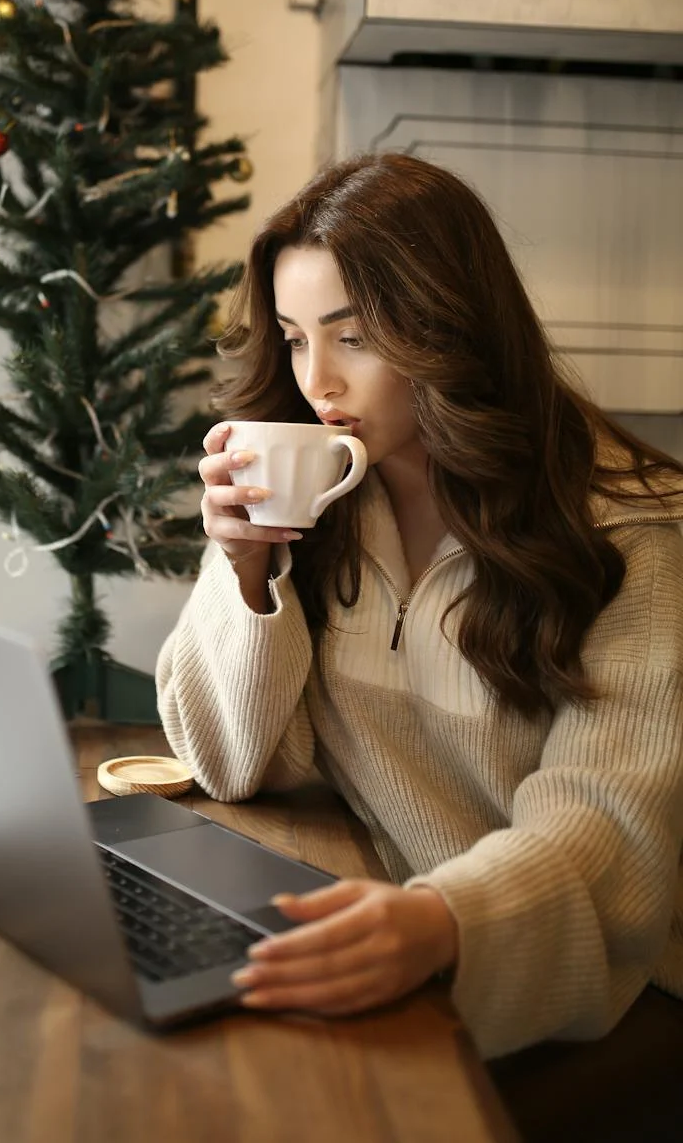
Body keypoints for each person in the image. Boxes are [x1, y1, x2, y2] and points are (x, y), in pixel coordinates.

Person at [155, 153, 683, 1079]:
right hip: (384, 930)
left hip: (596, 999)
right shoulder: (318, 503)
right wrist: (244, 573)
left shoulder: (634, 533)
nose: (317, 382)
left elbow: (612, 824)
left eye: (352, 337)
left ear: (449, 326)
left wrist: (447, 922)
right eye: (292, 338)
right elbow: (231, 762)